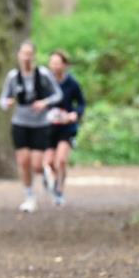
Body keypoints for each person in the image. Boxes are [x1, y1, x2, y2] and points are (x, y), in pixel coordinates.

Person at [0, 41, 62, 213]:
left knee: (36, 165)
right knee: (23, 161)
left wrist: (44, 102)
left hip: (40, 124)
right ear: (18, 55)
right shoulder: (13, 76)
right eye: (23, 53)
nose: (26, 57)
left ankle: (47, 176)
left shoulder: (43, 74)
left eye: (29, 54)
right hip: (20, 123)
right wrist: (7, 103)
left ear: (34, 56)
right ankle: (29, 196)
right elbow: (2, 99)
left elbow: (58, 94)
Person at [43, 50, 86, 206]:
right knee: (49, 162)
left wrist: (75, 114)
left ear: (65, 65)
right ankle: (54, 181)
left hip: (66, 128)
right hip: (48, 128)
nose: (54, 66)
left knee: (60, 161)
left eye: (57, 63)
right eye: (52, 63)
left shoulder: (72, 83)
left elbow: (81, 103)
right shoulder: (45, 82)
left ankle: (60, 190)